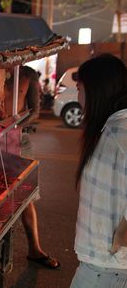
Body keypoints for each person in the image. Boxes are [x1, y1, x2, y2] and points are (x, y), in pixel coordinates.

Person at [0, 65, 60, 269]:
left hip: (19, 138)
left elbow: (35, 110)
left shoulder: (28, 74)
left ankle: (34, 249)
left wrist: (14, 127)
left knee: (24, 194)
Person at [70, 54, 127, 287]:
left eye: (79, 88)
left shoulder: (119, 134)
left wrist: (120, 239)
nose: (77, 96)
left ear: (96, 90)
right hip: (103, 265)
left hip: (107, 269)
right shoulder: (112, 128)